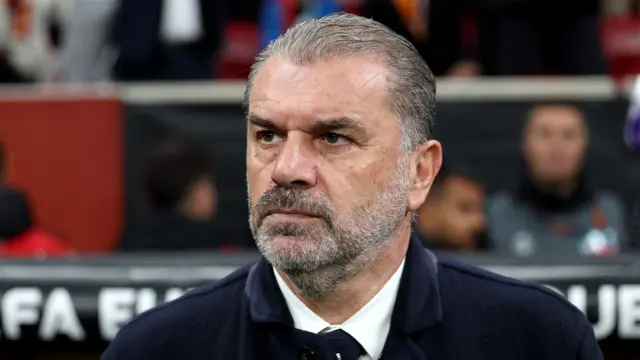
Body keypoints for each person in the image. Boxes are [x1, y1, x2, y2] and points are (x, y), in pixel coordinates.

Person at [102, 13, 602, 360]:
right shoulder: (155, 351)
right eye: (268, 135)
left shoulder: (541, 343)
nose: (286, 168)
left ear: (420, 173)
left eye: (333, 137)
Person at [487, 104, 627, 258]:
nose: (557, 148)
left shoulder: (611, 213)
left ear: (585, 144)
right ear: (525, 143)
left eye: (568, 135)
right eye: (545, 135)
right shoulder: (494, 215)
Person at [119, 138, 222, 251]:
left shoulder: (131, 240)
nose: (214, 195)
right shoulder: (205, 246)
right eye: (210, 184)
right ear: (194, 193)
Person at [415, 162, 487, 251]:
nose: (480, 223)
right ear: (427, 209)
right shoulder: (403, 259)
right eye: (465, 208)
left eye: (480, 210)